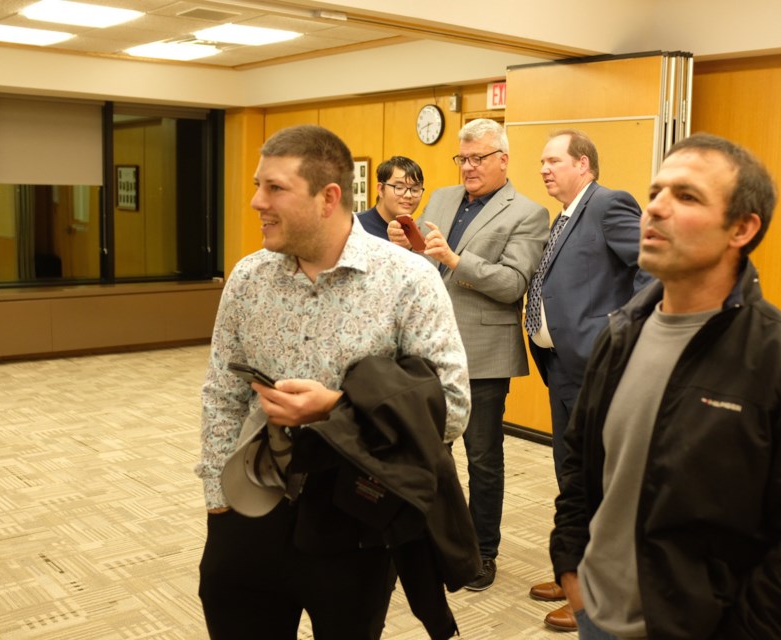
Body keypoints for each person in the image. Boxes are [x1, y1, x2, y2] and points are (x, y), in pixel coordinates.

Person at [551, 132, 781, 640]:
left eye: (686, 196)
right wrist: (570, 560)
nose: (655, 209)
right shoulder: (621, 336)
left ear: (742, 228)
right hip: (597, 616)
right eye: (656, 191)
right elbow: (581, 461)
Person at [196, 125, 472, 640]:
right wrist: (218, 500)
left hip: (356, 518)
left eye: (275, 188)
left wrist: (338, 410)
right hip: (250, 508)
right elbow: (222, 393)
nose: (257, 201)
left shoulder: (408, 280)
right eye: (258, 185)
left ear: (328, 197)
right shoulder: (249, 277)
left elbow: (452, 409)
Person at [388, 118, 549, 591]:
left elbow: (513, 284)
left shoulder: (528, 213)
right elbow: (420, 265)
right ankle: (429, 542)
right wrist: (407, 248)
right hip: (427, 349)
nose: (468, 168)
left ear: (503, 160)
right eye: (462, 159)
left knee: (482, 459)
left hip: (483, 353)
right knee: (428, 453)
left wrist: (455, 260)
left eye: (478, 158)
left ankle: (482, 551)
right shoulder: (441, 198)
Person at [524, 129, 651, 632]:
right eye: (541, 162)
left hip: (596, 367)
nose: (544, 169)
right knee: (572, 476)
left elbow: (653, 267)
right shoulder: (567, 216)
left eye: (553, 161)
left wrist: (616, 329)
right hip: (561, 369)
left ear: (584, 165)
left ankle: (595, 593)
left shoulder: (608, 204)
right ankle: (573, 566)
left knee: (596, 478)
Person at [357, 156, 425, 239]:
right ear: (381, 189)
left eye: (414, 190)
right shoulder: (356, 227)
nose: (408, 195)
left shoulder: (416, 234)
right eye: (399, 188)